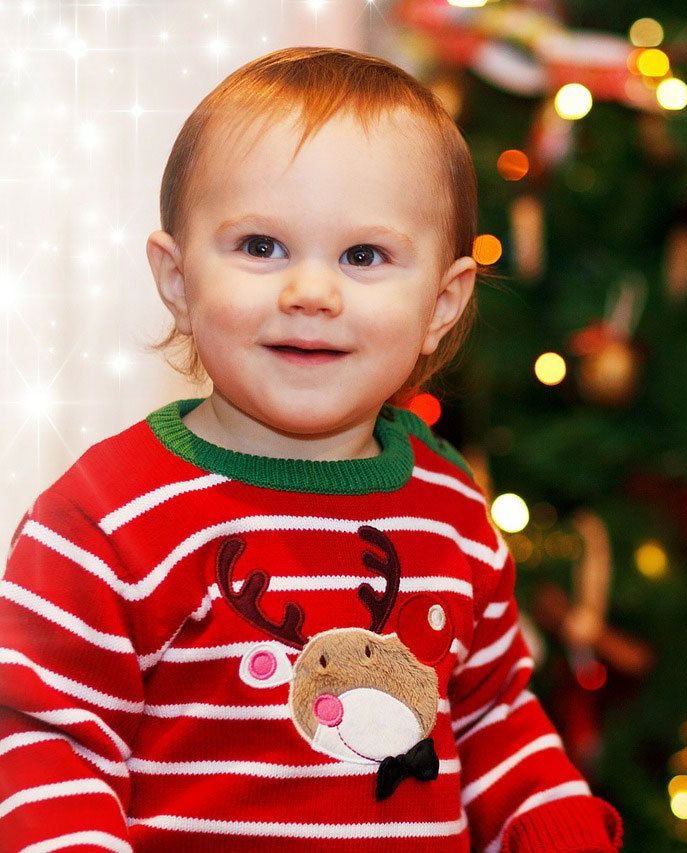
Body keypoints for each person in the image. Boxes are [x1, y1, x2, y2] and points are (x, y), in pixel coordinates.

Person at [0, 46, 622, 852]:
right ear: (178, 279)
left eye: (363, 256)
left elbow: (495, 713)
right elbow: (43, 745)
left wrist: (553, 823)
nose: (310, 293)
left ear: (440, 304)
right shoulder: (104, 518)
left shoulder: (451, 510)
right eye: (260, 246)